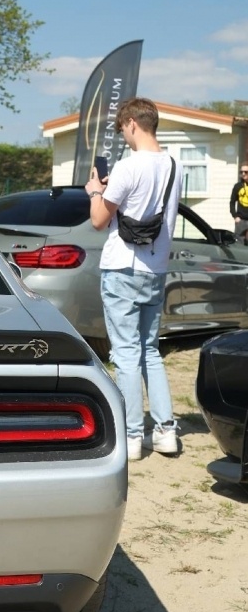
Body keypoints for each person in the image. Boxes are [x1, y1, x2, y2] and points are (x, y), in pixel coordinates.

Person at [85, 98, 183, 463]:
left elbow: (98, 220)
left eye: (122, 129)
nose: (123, 135)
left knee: (125, 353)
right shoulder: (175, 165)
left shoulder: (127, 167)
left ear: (131, 124)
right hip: (155, 269)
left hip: (123, 267)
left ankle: (132, 435)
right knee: (150, 352)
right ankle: (166, 431)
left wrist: (96, 191)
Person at [229, 163, 248, 244]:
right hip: (241, 220)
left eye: (246, 172)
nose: (243, 174)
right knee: (239, 243)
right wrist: (235, 216)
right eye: (241, 172)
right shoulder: (238, 186)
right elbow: (232, 202)